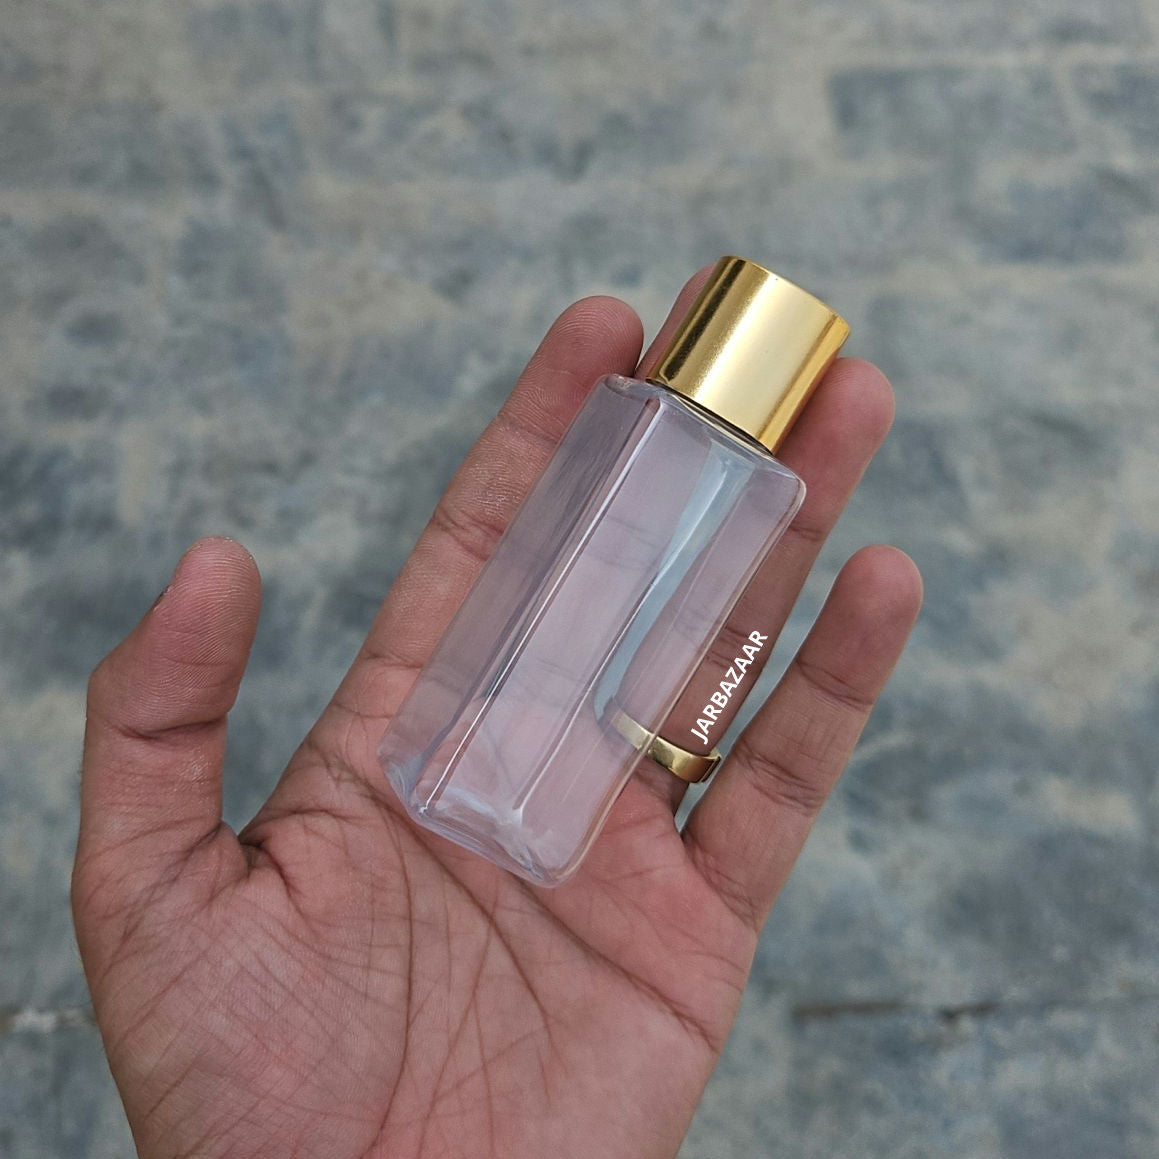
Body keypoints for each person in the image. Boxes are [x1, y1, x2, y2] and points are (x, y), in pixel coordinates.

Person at [73, 267, 922, 1158]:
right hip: (434, 787)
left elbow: (708, 660)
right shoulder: (638, 412)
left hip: (521, 832)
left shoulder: (764, 485)